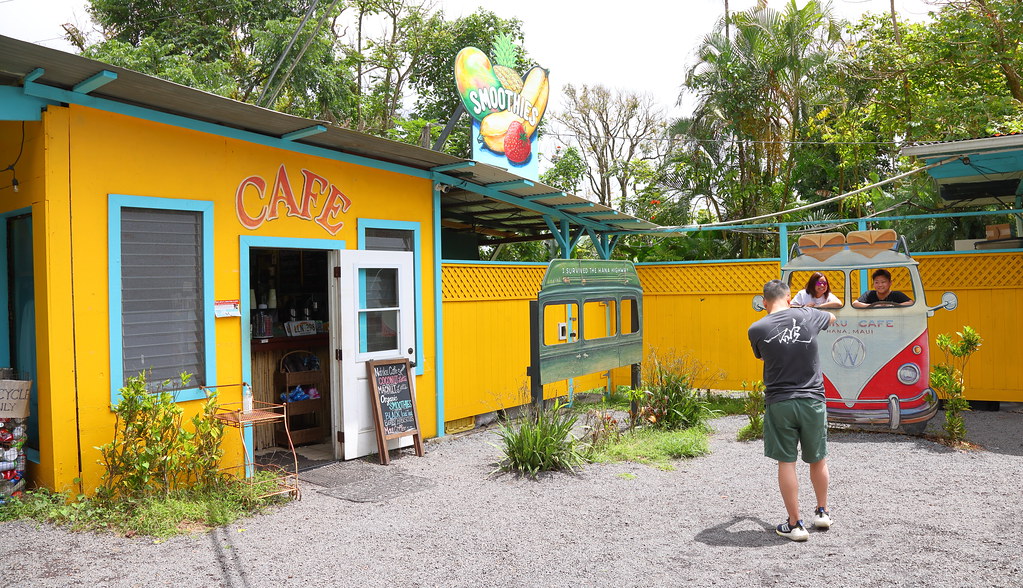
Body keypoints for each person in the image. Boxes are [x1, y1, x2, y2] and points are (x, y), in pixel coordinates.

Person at [748, 279, 837, 542]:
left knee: (786, 462)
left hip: (779, 402)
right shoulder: (808, 314)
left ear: (764, 302)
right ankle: (822, 512)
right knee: (818, 458)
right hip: (812, 400)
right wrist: (806, 307)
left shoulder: (756, 328)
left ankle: (795, 525)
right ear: (789, 298)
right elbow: (831, 317)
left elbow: (763, 356)